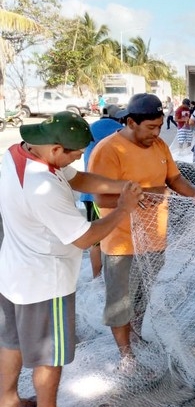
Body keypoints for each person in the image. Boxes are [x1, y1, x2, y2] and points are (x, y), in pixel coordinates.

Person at [0, 111, 144, 407]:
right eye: (75, 154)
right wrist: (123, 209)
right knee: (50, 354)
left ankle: (7, 401)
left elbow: (78, 178)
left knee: (12, 340)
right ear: (55, 150)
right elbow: (84, 238)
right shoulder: (44, 186)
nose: (79, 159)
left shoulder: (18, 154)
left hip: (13, 274)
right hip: (44, 284)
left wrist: (120, 186)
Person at [89, 93, 195, 364]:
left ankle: (137, 337)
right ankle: (126, 354)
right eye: (150, 128)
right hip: (122, 242)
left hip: (155, 238)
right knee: (121, 302)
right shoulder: (108, 150)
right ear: (131, 122)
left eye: (159, 126)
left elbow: (174, 178)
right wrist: (145, 193)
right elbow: (100, 196)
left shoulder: (159, 146)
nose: (156, 133)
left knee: (142, 297)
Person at [80, 104, 124, 278]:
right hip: (104, 194)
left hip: (88, 192)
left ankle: (96, 276)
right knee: (106, 237)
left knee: (95, 238)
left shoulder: (91, 127)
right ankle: (105, 278)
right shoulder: (118, 129)